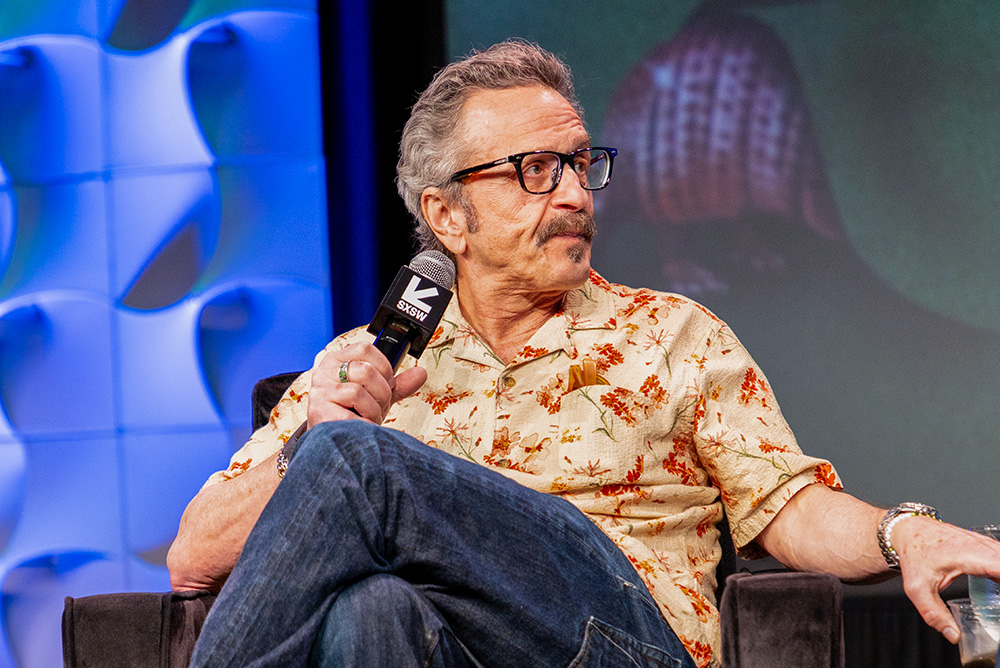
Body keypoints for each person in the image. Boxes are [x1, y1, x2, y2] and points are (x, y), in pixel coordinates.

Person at [167, 40, 1000, 668]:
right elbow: (192, 558)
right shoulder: (366, 360)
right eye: (535, 169)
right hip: (444, 651)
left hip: (619, 646)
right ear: (446, 214)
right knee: (368, 612)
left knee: (361, 466)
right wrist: (321, 434)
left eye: (579, 163)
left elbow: (792, 509)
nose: (572, 193)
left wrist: (904, 534)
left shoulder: (671, 333)